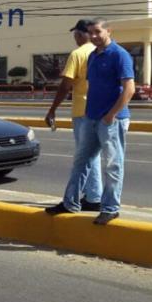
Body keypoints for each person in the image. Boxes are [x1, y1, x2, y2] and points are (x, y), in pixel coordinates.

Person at [45, 18, 134, 225]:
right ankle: (70, 203)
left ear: (108, 31)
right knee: (81, 161)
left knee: (113, 164)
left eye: (97, 32)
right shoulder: (93, 56)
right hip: (90, 118)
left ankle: (111, 208)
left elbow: (129, 89)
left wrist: (111, 115)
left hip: (111, 120)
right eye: (90, 33)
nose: (94, 36)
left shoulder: (120, 55)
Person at [44, 20, 102, 211]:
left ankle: (87, 198)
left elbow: (66, 85)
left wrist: (52, 109)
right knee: (94, 156)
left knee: (84, 157)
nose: (75, 38)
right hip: (100, 110)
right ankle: (94, 195)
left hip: (82, 110)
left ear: (82, 34)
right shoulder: (101, 52)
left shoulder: (77, 54)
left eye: (76, 34)